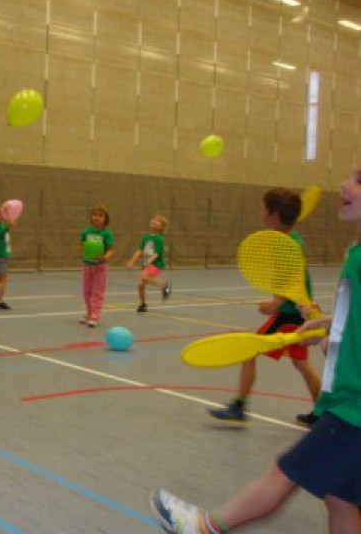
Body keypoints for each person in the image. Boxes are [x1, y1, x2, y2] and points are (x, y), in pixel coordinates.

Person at [150, 167, 361, 534]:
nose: (344, 183)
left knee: (284, 473)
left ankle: (203, 526)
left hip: (355, 409)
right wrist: (330, 325)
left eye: (360, 179)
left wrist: (335, 342)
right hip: (347, 397)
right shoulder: (357, 251)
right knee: (340, 498)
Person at [208, 188, 321, 427]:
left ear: (275, 215)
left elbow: (290, 278)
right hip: (300, 313)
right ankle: (322, 412)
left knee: (248, 350)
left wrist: (275, 303)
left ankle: (239, 406)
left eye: (263, 208)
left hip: (289, 313)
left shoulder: (285, 244)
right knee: (301, 363)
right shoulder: (293, 239)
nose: (260, 211)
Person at [126, 214, 172, 313]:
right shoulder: (145, 237)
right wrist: (132, 261)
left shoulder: (160, 239)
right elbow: (139, 250)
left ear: (162, 227)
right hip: (145, 264)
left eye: (158, 221)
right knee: (141, 285)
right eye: (153, 219)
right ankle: (143, 304)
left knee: (144, 276)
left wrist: (150, 260)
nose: (154, 221)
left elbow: (158, 253)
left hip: (155, 264)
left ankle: (164, 285)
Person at [79, 206, 114, 328]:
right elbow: (81, 245)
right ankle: (88, 314)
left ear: (105, 219)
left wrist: (105, 257)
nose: (97, 218)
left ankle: (94, 316)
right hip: (87, 266)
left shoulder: (106, 233)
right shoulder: (86, 232)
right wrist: (82, 249)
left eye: (100, 215)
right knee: (87, 291)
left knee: (97, 292)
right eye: (95, 215)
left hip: (100, 267)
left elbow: (110, 250)